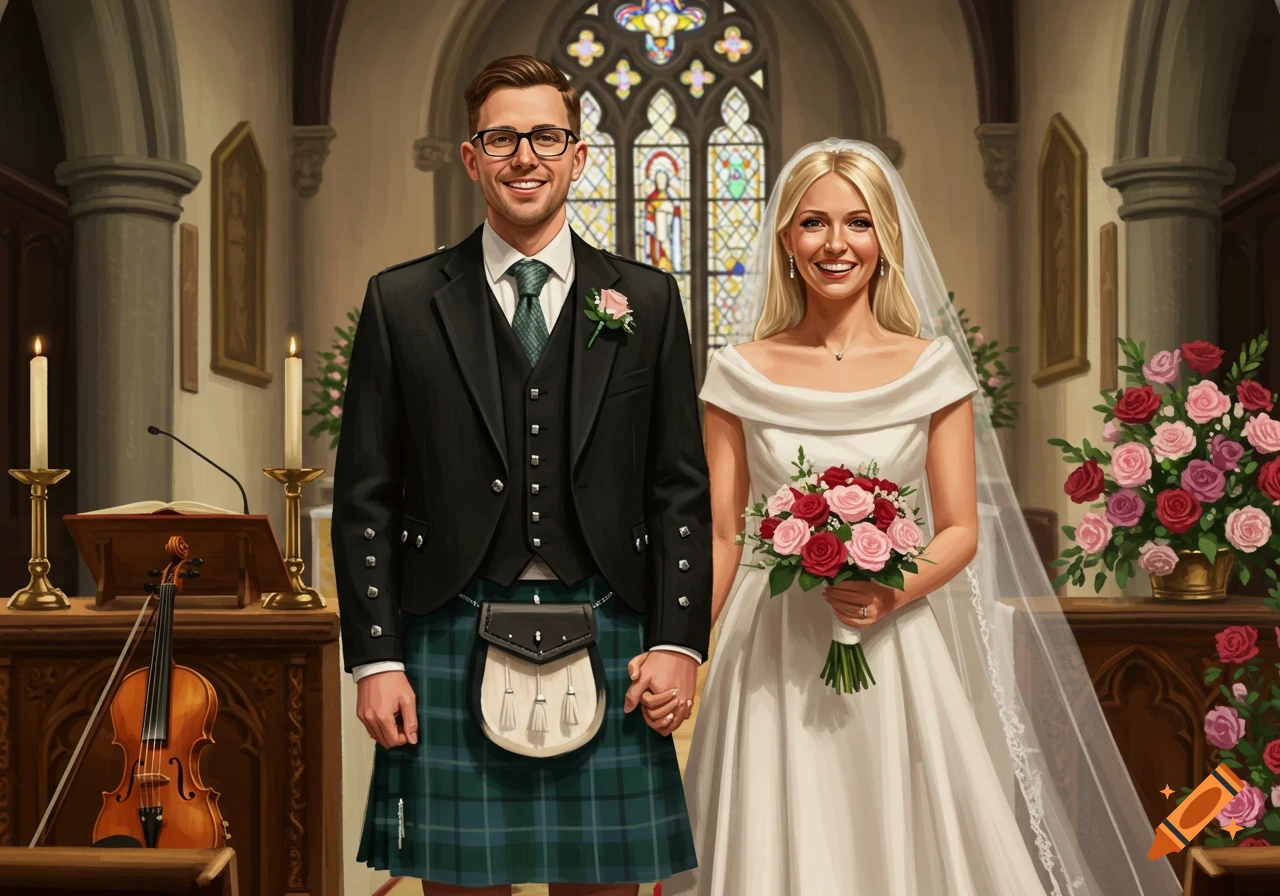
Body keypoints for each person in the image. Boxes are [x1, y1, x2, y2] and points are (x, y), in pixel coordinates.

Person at [665, 140, 1182, 896]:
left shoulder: (933, 367)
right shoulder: (737, 372)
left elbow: (959, 529)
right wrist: (685, 648)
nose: (835, 244)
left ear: (886, 240)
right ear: (785, 239)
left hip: (894, 645)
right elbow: (722, 532)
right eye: (813, 223)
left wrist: (890, 592)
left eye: (858, 222)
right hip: (771, 648)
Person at [331, 55, 710, 896]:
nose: (524, 156)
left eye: (545, 135)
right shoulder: (400, 301)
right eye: (501, 137)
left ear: (578, 155)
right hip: (446, 626)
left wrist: (678, 641)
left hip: (612, 618)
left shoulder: (646, 302)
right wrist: (377, 659)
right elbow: (366, 498)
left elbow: (678, 488)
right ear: (472, 158)